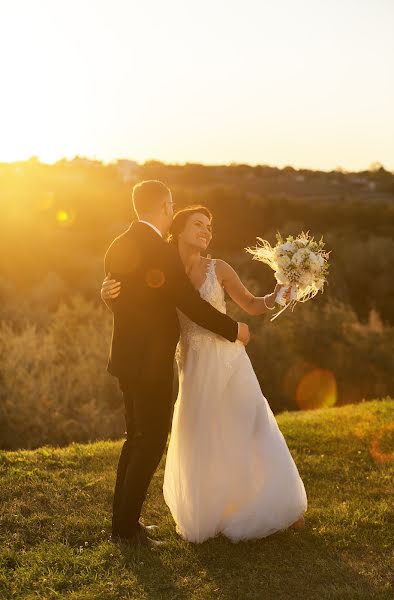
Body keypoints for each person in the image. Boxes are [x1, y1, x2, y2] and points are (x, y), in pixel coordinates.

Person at [102, 202, 307, 544]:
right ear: (178, 229)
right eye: (198, 224)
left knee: (249, 425)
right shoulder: (162, 265)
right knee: (203, 436)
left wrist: (276, 295)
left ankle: (276, 504)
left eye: (209, 227)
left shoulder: (219, 268)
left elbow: (253, 304)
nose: (206, 231)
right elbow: (135, 302)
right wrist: (107, 295)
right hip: (192, 364)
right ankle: (213, 510)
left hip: (229, 360)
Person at [103, 180, 250, 547]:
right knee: (150, 440)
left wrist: (105, 297)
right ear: (166, 207)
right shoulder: (160, 250)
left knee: (134, 438)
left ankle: (123, 522)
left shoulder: (117, 245)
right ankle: (125, 529)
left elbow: (124, 301)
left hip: (125, 357)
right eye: (172, 207)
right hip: (150, 361)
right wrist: (234, 329)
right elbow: (188, 302)